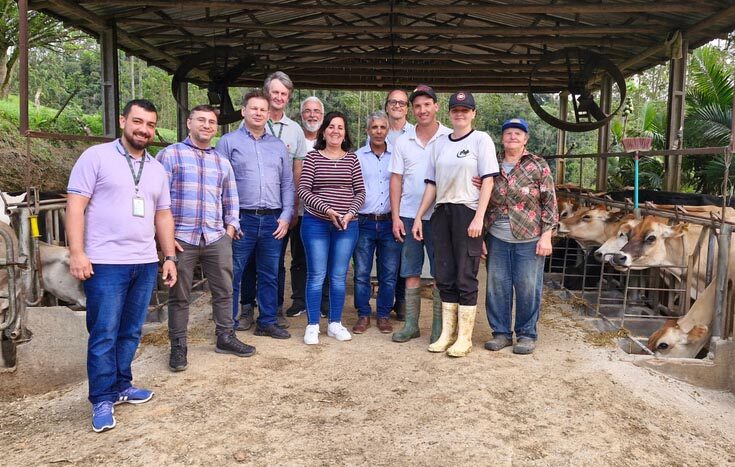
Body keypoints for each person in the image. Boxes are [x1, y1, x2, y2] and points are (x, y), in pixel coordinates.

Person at [66, 99, 177, 433]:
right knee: (103, 332)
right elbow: (75, 206)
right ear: (123, 120)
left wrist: (168, 256)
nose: (143, 129)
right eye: (138, 122)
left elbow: (162, 214)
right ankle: (101, 397)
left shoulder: (156, 168)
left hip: (143, 262)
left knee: (130, 330)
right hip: (105, 262)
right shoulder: (95, 157)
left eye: (150, 125)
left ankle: (121, 385)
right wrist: (76, 252)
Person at [157, 104, 256, 372]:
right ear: (189, 123)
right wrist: (164, 237)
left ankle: (225, 336)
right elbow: (157, 198)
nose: (206, 125)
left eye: (211, 122)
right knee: (180, 294)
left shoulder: (221, 162)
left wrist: (230, 230)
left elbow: (231, 199)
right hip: (181, 238)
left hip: (215, 236)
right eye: (201, 120)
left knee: (224, 290)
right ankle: (178, 345)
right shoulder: (170, 155)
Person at [413, 91, 498, 357]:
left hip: (467, 212)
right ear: (449, 113)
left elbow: (488, 181)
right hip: (442, 213)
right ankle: (446, 334)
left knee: (465, 275)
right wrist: (419, 216)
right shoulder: (439, 144)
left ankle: (464, 338)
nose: (460, 114)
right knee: (444, 275)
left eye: (465, 109)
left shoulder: (481, 140)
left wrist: (478, 218)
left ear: (473, 113)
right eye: (455, 110)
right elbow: (432, 184)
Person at [216, 89, 295, 340]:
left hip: (273, 219)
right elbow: (220, 184)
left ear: (269, 114)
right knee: (235, 272)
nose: (259, 113)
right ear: (244, 111)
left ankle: (268, 321)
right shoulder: (228, 142)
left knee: (270, 273)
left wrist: (286, 215)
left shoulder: (278, 145)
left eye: (263, 109)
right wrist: (230, 219)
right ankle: (228, 325)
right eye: (254, 108)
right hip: (242, 219)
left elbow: (287, 183)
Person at [239, 72, 307, 330]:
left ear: (288, 98)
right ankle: (247, 308)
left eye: (283, 94)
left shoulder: (295, 131)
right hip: (250, 206)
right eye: (274, 92)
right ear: (266, 93)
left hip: (280, 207)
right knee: (247, 261)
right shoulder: (247, 126)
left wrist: (292, 210)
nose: (278, 97)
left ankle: (274, 309)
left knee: (274, 261)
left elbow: (296, 173)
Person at [484, 118, 558, 355]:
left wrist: (546, 236)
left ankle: (526, 334)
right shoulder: (490, 163)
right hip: (496, 235)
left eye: (518, 133)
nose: (512, 137)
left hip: (529, 236)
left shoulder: (538, 165)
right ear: (502, 138)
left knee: (527, 286)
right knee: (497, 285)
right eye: (508, 133)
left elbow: (550, 203)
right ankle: (501, 333)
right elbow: (482, 198)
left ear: (526, 139)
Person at [389, 85, 451, 343]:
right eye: (417, 106)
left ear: (436, 106)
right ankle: (411, 325)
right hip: (407, 214)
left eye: (427, 104)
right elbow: (396, 179)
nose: (422, 110)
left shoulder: (450, 136)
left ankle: (438, 328)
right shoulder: (403, 140)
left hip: (441, 215)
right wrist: (395, 217)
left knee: (440, 272)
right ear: (412, 110)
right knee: (411, 271)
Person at [298, 111, 365, 345]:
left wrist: (349, 213)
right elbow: (304, 191)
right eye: (331, 127)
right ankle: (313, 325)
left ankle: (335, 323)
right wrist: (328, 210)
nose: (335, 131)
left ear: (345, 133)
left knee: (338, 276)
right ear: (323, 131)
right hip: (316, 223)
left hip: (346, 224)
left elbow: (360, 192)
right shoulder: (313, 158)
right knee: (316, 275)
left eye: (340, 127)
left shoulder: (352, 159)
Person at [352, 111, 402, 334]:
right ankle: (363, 314)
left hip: (390, 222)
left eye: (383, 127)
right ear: (368, 131)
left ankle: (383, 314)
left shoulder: (397, 155)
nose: (379, 131)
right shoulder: (357, 157)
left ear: (388, 130)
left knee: (389, 273)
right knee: (362, 272)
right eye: (375, 127)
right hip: (364, 221)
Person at [284, 95, 325, 318]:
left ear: (322, 115)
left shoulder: (329, 139)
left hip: (324, 214)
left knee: (324, 259)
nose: (312, 115)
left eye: (316, 111)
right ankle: (299, 300)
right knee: (299, 258)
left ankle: (323, 302)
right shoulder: (295, 138)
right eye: (308, 111)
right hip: (298, 211)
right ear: (302, 115)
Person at [384, 89, 414, 321]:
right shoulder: (377, 130)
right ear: (387, 106)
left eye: (402, 103)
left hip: (405, 206)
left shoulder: (415, 133)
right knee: (386, 261)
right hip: (379, 205)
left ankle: (402, 301)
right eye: (393, 102)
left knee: (404, 257)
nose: (397, 106)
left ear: (407, 107)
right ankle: (385, 302)